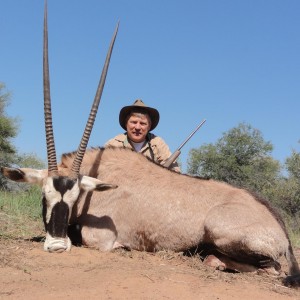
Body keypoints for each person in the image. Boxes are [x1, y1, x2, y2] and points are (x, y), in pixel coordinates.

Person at [105, 99, 181, 172]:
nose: (137, 127)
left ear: (149, 126)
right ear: (126, 124)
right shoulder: (113, 144)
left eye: (143, 123)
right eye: (134, 122)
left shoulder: (157, 143)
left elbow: (175, 172)